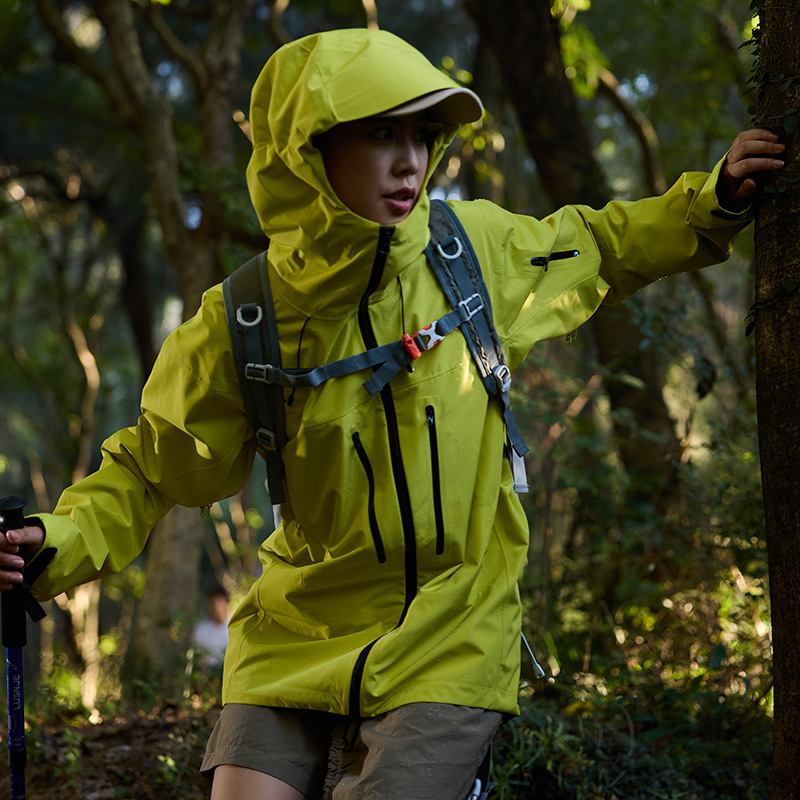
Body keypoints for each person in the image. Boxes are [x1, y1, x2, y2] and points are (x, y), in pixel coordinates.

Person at [0, 27, 783, 800]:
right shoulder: (240, 318)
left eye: (422, 135)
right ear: (306, 150)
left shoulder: (472, 251)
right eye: (381, 134)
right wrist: (53, 542)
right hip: (293, 637)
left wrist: (710, 202)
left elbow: (603, 247)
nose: (410, 159)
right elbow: (147, 471)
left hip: (450, 634)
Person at [192, 586, 231, 671]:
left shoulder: (233, 629)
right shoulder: (200, 629)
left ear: (226, 603)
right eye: (213, 603)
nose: (216, 607)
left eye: (220, 602)